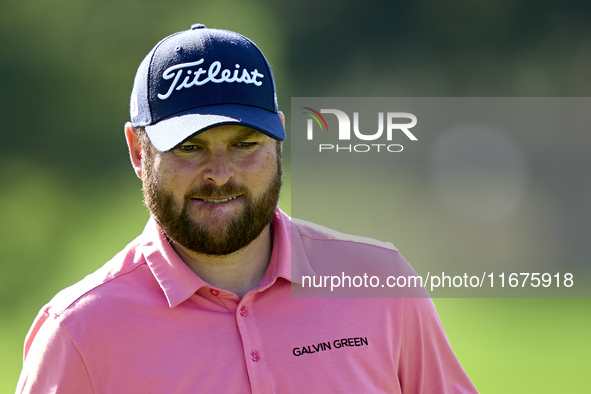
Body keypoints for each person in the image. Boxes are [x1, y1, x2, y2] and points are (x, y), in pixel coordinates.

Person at [17, 24, 478, 393]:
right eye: (191, 147)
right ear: (139, 151)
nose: (220, 173)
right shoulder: (78, 332)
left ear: (279, 136)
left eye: (244, 144)